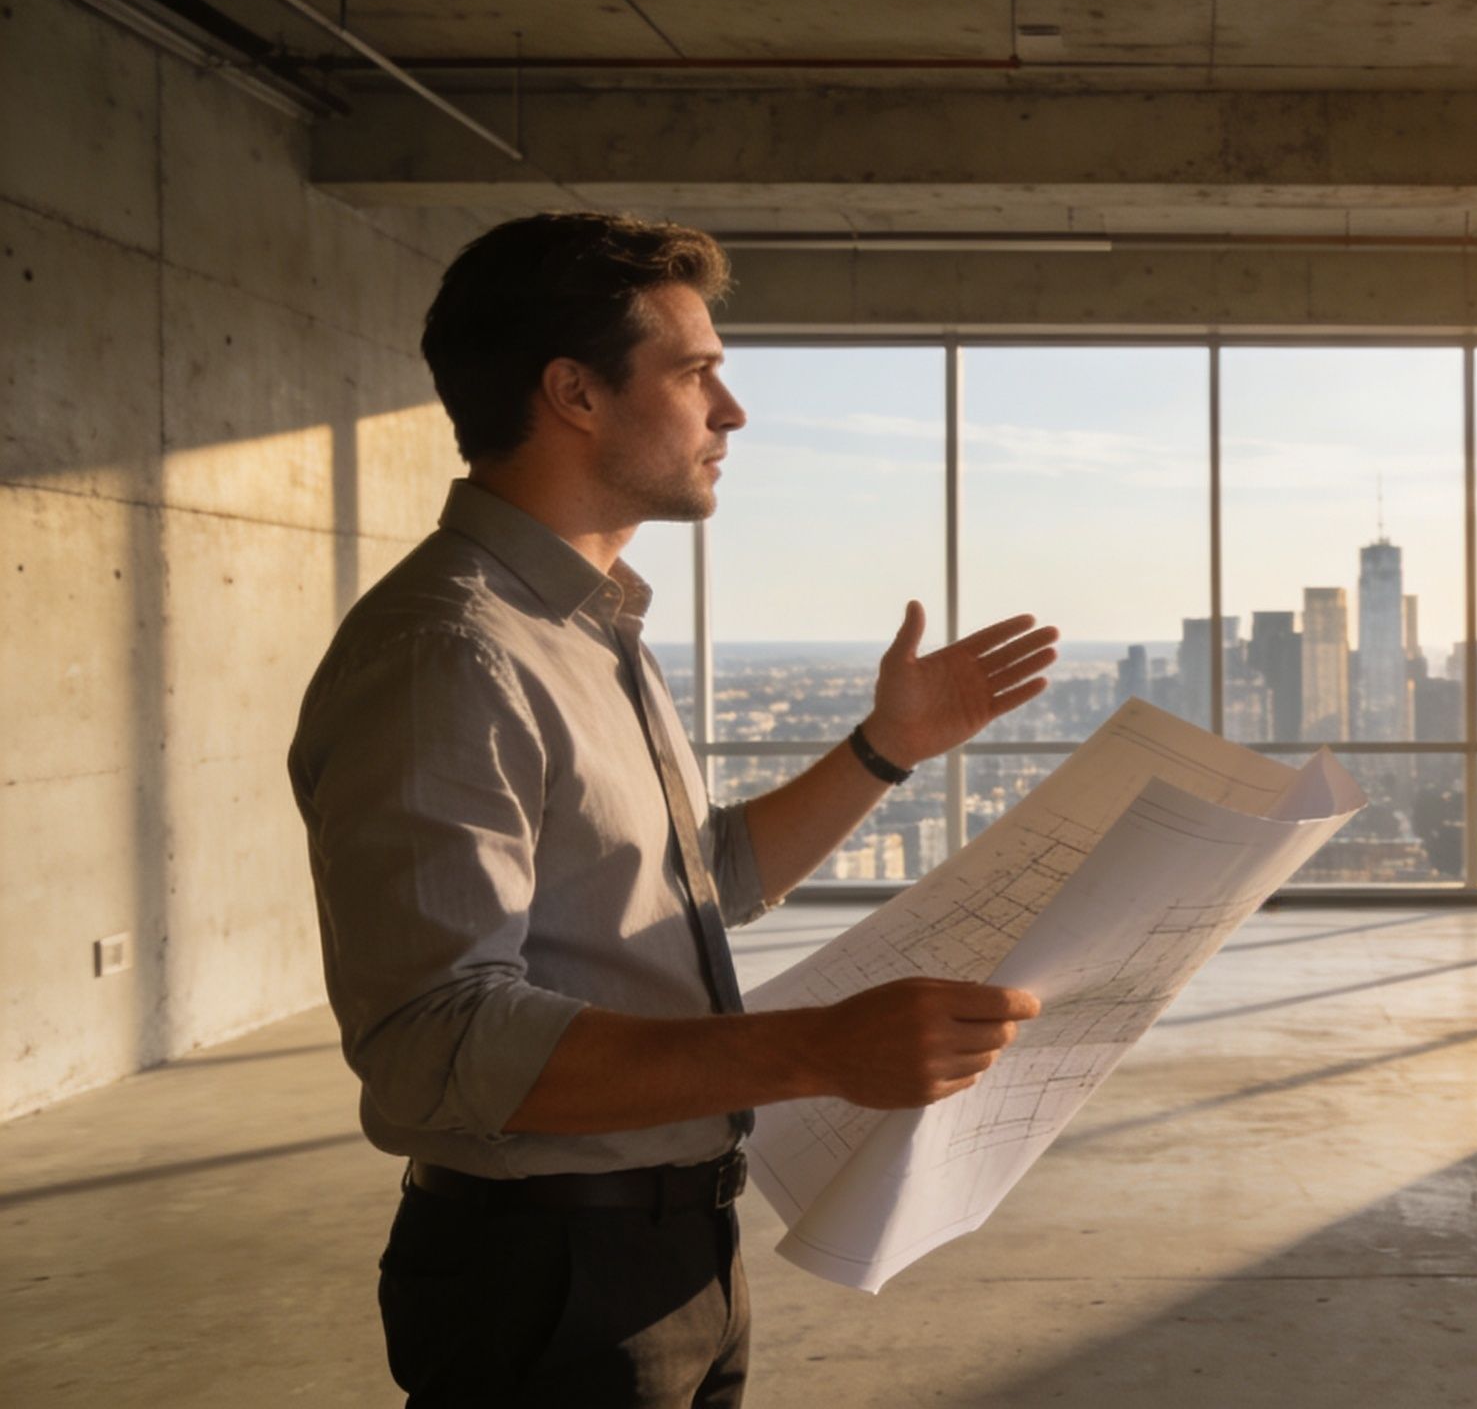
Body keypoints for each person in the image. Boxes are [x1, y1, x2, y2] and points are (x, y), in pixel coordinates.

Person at [287, 212, 1057, 1407]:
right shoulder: (451, 652)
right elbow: (433, 1042)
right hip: (542, 1272)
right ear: (573, 393)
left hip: (667, 1245)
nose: (731, 413)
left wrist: (883, 748)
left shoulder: (589, 629)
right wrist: (815, 1050)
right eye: (697, 373)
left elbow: (703, 880)